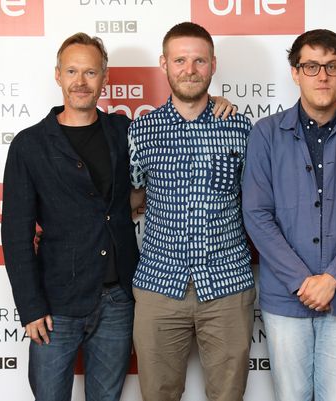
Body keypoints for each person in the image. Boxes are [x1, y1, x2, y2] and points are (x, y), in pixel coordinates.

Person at [1, 32, 235, 401]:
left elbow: (176, 129)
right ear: (58, 75)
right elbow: (15, 234)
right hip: (56, 304)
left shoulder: (125, 131)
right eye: (72, 71)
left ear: (105, 78)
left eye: (91, 72)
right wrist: (30, 307)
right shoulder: (30, 145)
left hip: (117, 300)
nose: (81, 82)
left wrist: (216, 104)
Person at [242, 29, 336, 401]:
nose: (322, 75)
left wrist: (333, 279)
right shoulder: (265, 134)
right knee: (291, 396)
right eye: (311, 66)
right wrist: (302, 280)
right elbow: (257, 215)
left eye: (331, 66)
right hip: (285, 296)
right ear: (295, 72)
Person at [128, 22, 255, 401]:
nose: (190, 69)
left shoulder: (238, 126)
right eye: (180, 60)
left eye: (199, 60)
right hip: (158, 286)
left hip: (228, 286)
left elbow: (257, 202)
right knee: (157, 395)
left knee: (228, 395)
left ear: (213, 65)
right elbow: (134, 197)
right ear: (164, 64)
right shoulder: (141, 129)